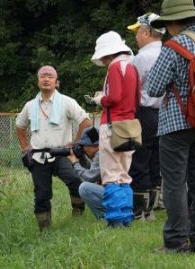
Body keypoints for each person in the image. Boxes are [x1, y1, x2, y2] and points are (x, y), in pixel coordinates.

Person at [147, 0, 195, 254]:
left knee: (174, 183)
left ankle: (175, 242)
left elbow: (153, 88)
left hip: (177, 123)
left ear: (174, 22)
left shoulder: (172, 46)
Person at [16, 65, 92, 232]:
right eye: (43, 76)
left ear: (56, 82)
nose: (46, 78)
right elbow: (20, 127)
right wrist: (24, 147)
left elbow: (86, 122)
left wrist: (75, 142)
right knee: (41, 195)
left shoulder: (67, 102)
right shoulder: (30, 105)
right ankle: (44, 230)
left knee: (75, 180)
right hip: (38, 156)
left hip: (62, 153)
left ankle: (78, 213)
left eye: (50, 76)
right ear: (38, 82)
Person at [90, 31, 140, 227]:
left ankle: (115, 220)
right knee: (124, 174)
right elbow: (136, 99)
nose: (102, 61)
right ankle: (126, 217)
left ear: (108, 54)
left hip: (112, 125)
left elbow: (114, 98)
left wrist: (99, 99)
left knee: (110, 175)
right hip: (129, 126)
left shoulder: (114, 68)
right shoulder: (132, 67)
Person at [127, 13, 166, 220]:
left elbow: (134, 89)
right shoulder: (168, 52)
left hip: (145, 113)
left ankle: (139, 212)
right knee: (156, 162)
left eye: (138, 32)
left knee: (139, 160)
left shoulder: (140, 57)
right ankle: (151, 210)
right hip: (165, 114)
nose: (136, 37)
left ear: (147, 32)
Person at [67, 127, 103, 219]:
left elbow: (88, 178)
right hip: (122, 194)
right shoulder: (106, 151)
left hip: (117, 195)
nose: (83, 150)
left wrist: (75, 162)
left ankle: (103, 218)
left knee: (84, 188)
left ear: (95, 146)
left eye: (84, 146)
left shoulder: (100, 154)